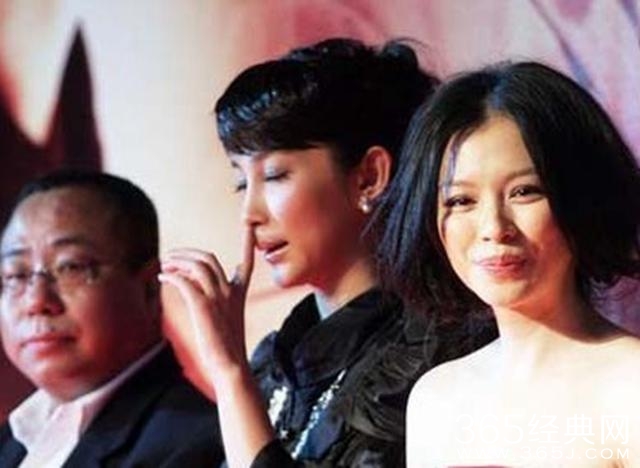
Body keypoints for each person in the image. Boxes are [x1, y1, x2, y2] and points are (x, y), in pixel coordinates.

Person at [159, 38, 497, 467]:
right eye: (241, 182)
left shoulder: (438, 356)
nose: (249, 213)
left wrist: (228, 373)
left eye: (274, 176)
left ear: (369, 177)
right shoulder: (273, 365)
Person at [377, 61, 640, 467]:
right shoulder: (437, 399)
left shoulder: (629, 386)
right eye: (461, 200)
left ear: (582, 199)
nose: (494, 228)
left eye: (524, 192)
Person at [0, 171, 223, 467]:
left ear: (150, 289)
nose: (36, 301)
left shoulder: (198, 447)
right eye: (16, 275)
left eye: (71, 267)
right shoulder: (12, 442)